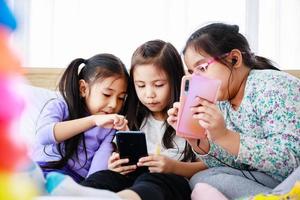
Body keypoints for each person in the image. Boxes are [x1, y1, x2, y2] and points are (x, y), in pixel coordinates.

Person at [45, 40, 204, 200]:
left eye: (158, 85)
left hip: (172, 182)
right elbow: (116, 158)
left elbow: (208, 164)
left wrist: (174, 167)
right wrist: (115, 165)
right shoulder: (131, 118)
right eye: (141, 86)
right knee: (105, 177)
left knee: (151, 181)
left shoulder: (192, 114)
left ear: (175, 80)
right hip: (132, 179)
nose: (149, 94)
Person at [167, 23, 300, 199]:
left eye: (202, 68)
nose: (198, 79)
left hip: (292, 176)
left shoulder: (274, 86)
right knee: (202, 179)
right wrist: (199, 142)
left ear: (234, 59)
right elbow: (233, 165)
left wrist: (224, 136)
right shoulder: (222, 100)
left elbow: (292, 161)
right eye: (193, 72)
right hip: (272, 180)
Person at [32, 53, 129, 184]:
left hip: (75, 181)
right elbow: (43, 136)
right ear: (83, 88)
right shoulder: (60, 105)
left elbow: (97, 169)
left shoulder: (110, 126)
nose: (114, 104)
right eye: (107, 94)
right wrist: (93, 120)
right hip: (45, 169)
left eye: (121, 98)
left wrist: (87, 190)